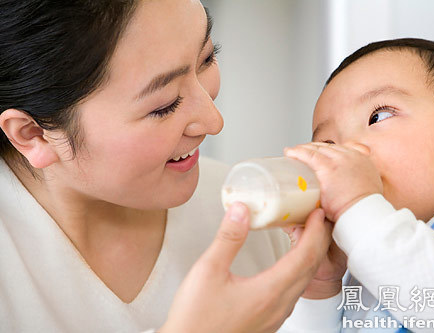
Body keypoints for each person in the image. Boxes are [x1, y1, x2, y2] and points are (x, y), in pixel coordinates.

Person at [0, 1, 335, 332]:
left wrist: (320, 293)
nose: (213, 121)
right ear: (34, 135)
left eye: (207, 57)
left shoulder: (254, 211)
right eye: (164, 105)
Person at [283, 38, 434, 332]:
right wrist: (319, 286)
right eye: (328, 143)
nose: (349, 149)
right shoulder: (362, 262)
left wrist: (355, 204)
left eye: (378, 116)